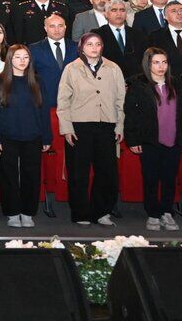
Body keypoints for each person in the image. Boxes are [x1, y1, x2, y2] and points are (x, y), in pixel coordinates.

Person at [57, 32, 127, 226]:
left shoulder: (113, 68)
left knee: (107, 172)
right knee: (78, 172)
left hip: (107, 125)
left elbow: (121, 100)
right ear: (82, 47)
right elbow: (63, 101)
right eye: (90, 44)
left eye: (98, 44)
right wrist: (67, 128)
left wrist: (120, 124)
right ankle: (80, 212)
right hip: (79, 125)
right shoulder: (71, 68)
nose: (94, 48)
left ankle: (101, 211)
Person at [125, 47, 182, 232]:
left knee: (170, 179)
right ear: (148, 64)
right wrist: (133, 140)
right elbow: (131, 115)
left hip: (173, 140)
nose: (161, 66)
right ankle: (153, 214)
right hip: (149, 141)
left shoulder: (177, 85)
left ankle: (166, 212)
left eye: (164, 62)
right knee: (151, 179)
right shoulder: (138, 86)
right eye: (156, 62)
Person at [0, 45, 51, 228]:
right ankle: (12, 212)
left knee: (31, 175)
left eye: (25, 57)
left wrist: (46, 137)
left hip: (33, 136)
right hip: (7, 136)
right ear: (10, 60)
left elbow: (44, 111)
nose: (22, 61)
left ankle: (28, 212)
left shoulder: (38, 81)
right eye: (17, 57)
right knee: (8, 176)